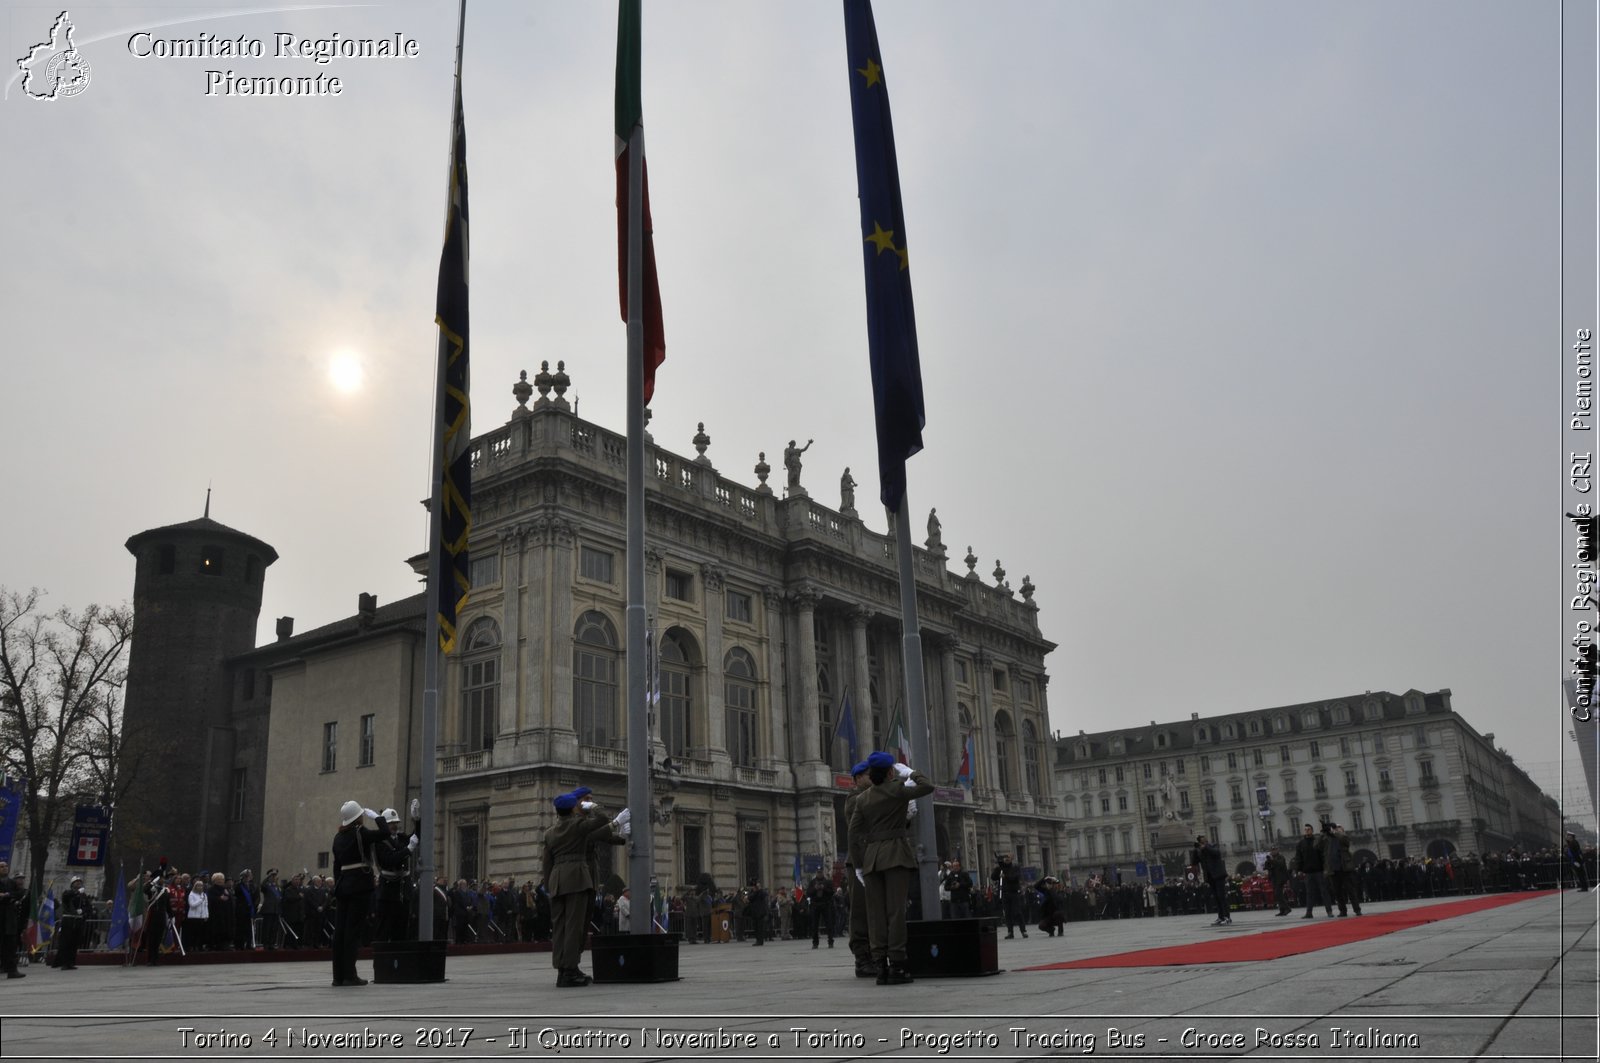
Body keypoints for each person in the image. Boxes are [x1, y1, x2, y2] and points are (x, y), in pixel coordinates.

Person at [848, 750, 935, 986]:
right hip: (896, 855)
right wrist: (911, 772)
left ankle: (880, 966)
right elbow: (927, 786)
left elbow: (853, 832)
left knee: (875, 914)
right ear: (889, 772)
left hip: (871, 860)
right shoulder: (897, 789)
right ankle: (897, 963)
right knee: (895, 912)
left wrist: (858, 865)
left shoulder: (863, 799)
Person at [542, 790, 623, 987]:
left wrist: (549, 885)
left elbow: (547, 863)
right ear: (572, 808)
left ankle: (562, 969)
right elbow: (602, 819)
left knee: (559, 928)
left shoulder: (550, 832)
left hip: (557, 881)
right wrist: (593, 807)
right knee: (574, 927)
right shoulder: (577, 826)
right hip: (577, 879)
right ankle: (569, 971)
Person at [330, 799, 385, 987]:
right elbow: (384, 833)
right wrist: (378, 818)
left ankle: (338, 976)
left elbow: (336, 866)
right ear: (358, 818)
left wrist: (338, 884)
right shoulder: (361, 833)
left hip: (344, 885)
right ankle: (349, 975)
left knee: (340, 932)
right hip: (360, 885)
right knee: (353, 932)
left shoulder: (338, 837)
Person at [1293, 822, 1333, 919]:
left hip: (1319, 870)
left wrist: (1325, 868)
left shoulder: (1317, 841)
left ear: (1312, 830)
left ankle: (1329, 911)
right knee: (1309, 893)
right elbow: (1298, 858)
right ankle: (1309, 912)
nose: (1307, 831)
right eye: (1305, 829)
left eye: (1309, 829)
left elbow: (1323, 855)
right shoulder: (1300, 844)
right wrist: (1298, 869)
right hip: (1308, 872)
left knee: (1324, 891)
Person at [1322, 824, 1362, 916]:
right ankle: (1342, 911)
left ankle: (1357, 909)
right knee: (1337, 892)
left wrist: (1335, 832)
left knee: (1350, 890)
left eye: (1338, 828)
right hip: (1333, 869)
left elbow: (1344, 839)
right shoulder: (1329, 839)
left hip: (1345, 868)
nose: (1336, 830)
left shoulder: (1343, 837)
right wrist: (1324, 832)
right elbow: (1317, 845)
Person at [1191, 835, 1231, 926]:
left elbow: (1216, 853)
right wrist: (1195, 850)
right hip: (1210, 877)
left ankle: (1227, 917)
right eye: (1200, 842)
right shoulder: (1200, 851)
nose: (1202, 844)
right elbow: (1194, 862)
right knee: (1216, 898)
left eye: (1202, 842)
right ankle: (1220, 917)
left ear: (1206, 841)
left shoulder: (1212, 846)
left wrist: (1206, 847)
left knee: (1221, 897)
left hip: (1218, 875)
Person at [54, 875, 91, 970]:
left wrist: (83, 911)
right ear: (72, 884)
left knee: (74, 943)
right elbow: (67, 897)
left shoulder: (83, 895)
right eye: (76, 882)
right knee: (66, 942)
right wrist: (77, 892)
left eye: (79, 882)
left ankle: (71, 962)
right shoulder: (67, 892)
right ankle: (64, 963)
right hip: (68, 920)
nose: (78, 884)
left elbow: (88, 906)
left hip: (78, 920)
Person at [991, 854, 1026, 938]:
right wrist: (997, 871)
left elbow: (1015, 877)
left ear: (1011, 859)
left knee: (1017, 912)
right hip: (1004, 893)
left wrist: (1005, 877)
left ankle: (1023, 930)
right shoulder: (1000, 868)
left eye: (1008, 858)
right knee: (1007, 913)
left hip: (1014, 892)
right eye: (1005, 858)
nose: (1006, 859)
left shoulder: (1015, 867)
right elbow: (993, 877)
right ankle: (1010, 932)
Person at [0, 862, 25, 978]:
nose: (5, 868)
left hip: (9, 918)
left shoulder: (11, 883)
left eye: (6, 866)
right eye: (1, 866)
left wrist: (7, 895)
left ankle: (11, 969)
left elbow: (20, 893)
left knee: (10, 945)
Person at [807, 871, 836, 950]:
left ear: (822, 873)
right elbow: (808, 893)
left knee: (828, 924)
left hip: (825, 905)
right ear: (816, 873)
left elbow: (832, 892)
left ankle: (830, 942)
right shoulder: (812, 882)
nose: (819, 874)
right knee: (814, 925)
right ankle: (815, 943)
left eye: (820, 873)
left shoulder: (827, 882)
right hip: (815, 905)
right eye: (818, 873)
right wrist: (815, 888)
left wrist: (824, 888)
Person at [1264, 847, 1293, 916]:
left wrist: (1271, 860)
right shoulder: (1272, 859)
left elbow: (1280, 864)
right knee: (1277, 895)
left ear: (1277, 850)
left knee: (1278, 894)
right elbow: (1268, 867)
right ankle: (1282, 910)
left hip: (1280, 879)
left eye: (1274, 850)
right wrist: (1267, 862)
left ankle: (1287, 908)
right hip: (1274, 879)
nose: (1273, 852)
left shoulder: (1280, 857)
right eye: (1272, 851)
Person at [744, 879, 767, 946]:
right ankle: (758, 940)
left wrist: (759, 889)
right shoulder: (752, 893)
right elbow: (749, 897)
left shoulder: (760, 892)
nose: (753, 888)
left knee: (760, 928)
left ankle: (760, 941)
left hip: (760, 913)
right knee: (756, 927)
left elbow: (764, 895)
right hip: (754, 913)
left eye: (754, 886)